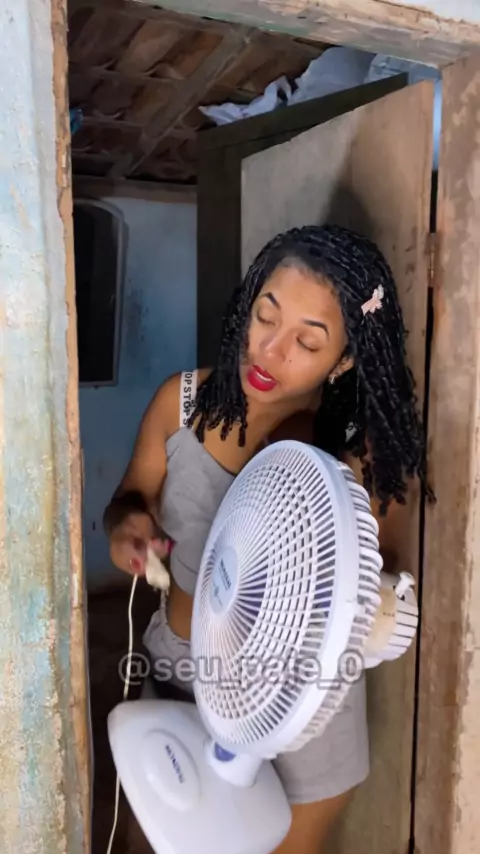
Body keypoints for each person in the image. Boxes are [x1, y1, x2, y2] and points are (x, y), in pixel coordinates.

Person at [103, 223, 429, 853]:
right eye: (265, 316)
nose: (268, 351)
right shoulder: (183, 403)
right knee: (162, 838)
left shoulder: (355, 458)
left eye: (307, 341)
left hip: (304, 703)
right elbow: (128, 500)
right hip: (180, 673)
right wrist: (128, 528)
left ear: (344, 360)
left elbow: (383, 593)